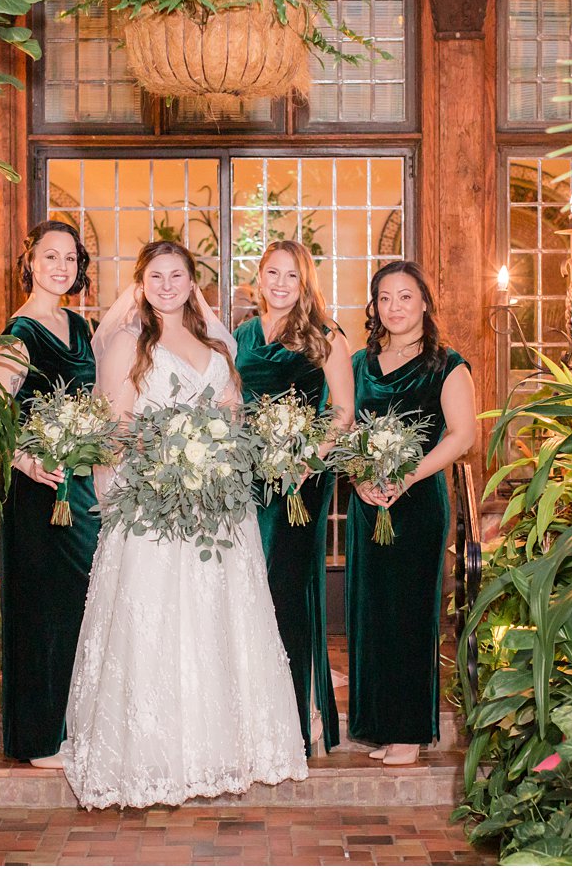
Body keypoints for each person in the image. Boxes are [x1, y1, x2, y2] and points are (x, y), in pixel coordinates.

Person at [61, 240, 309, 808]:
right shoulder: (128, 342)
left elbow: (232, 416)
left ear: (192, 282)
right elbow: (115, 430)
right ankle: (151, 759)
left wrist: (218, 453)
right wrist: (167, 452)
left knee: (214, 624)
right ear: (141, 282)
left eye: (177, 275)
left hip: (217, 509)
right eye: (155, 276)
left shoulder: (215, 343)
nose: (166, 285)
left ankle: (219, 752)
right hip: (153, 505)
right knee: (156, 625)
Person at [345, 261, 477, 767]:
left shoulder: (447, 364)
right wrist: (359, 478)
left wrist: (407, 476)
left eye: (405, 296)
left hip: (417, 504)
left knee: (410, 615)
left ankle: (411, 733)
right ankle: (379, 726)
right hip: (366, 503)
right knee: (371, 615)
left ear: (424, 302)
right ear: (374, 306)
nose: (394, 307)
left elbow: (462, 435)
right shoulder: (359, 364)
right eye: (384, 298)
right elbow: (346, 431)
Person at [233, 240, 354, 757]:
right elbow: (233, 401)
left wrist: (308, 454)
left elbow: (344, 411)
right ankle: (254, 710)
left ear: (305, 284)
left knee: (287, 589)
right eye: (272, 273)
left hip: (299, 481)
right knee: (248, 590)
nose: (280, 284)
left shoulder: (325, 335)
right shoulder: (241, 334)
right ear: (259, 277)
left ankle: (300, 712)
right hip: (249, 478)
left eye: (292, 276)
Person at [0, 220, 99, 769]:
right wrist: (23, 460)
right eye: (49, 256)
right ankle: (36, 740)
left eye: (70, 258)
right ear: (29, 262)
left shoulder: (78, 326)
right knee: (42, 611)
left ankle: (69, 725)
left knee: (79, 604)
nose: (61, 266)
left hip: (76, 485)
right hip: (35, 488)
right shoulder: (19, 334)